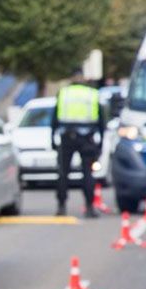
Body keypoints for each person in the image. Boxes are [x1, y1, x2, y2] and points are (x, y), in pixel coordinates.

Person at [51, 70, 106, 218]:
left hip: (67, 137)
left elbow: (54, 119)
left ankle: (61, 207)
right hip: (87, 138)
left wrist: (52, 139)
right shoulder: (91, 93)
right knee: (88, 173)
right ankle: (89, 207)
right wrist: (101, 142)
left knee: (63, 173)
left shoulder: (64, 93)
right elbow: (101, 121)